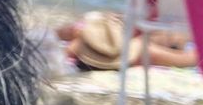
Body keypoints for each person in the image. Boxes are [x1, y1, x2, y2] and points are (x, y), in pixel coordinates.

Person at [57, 11, 198, 70]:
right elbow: (193, 59)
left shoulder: (78, 34)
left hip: (130, 37)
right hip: (145, 43)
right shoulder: (145, 49)